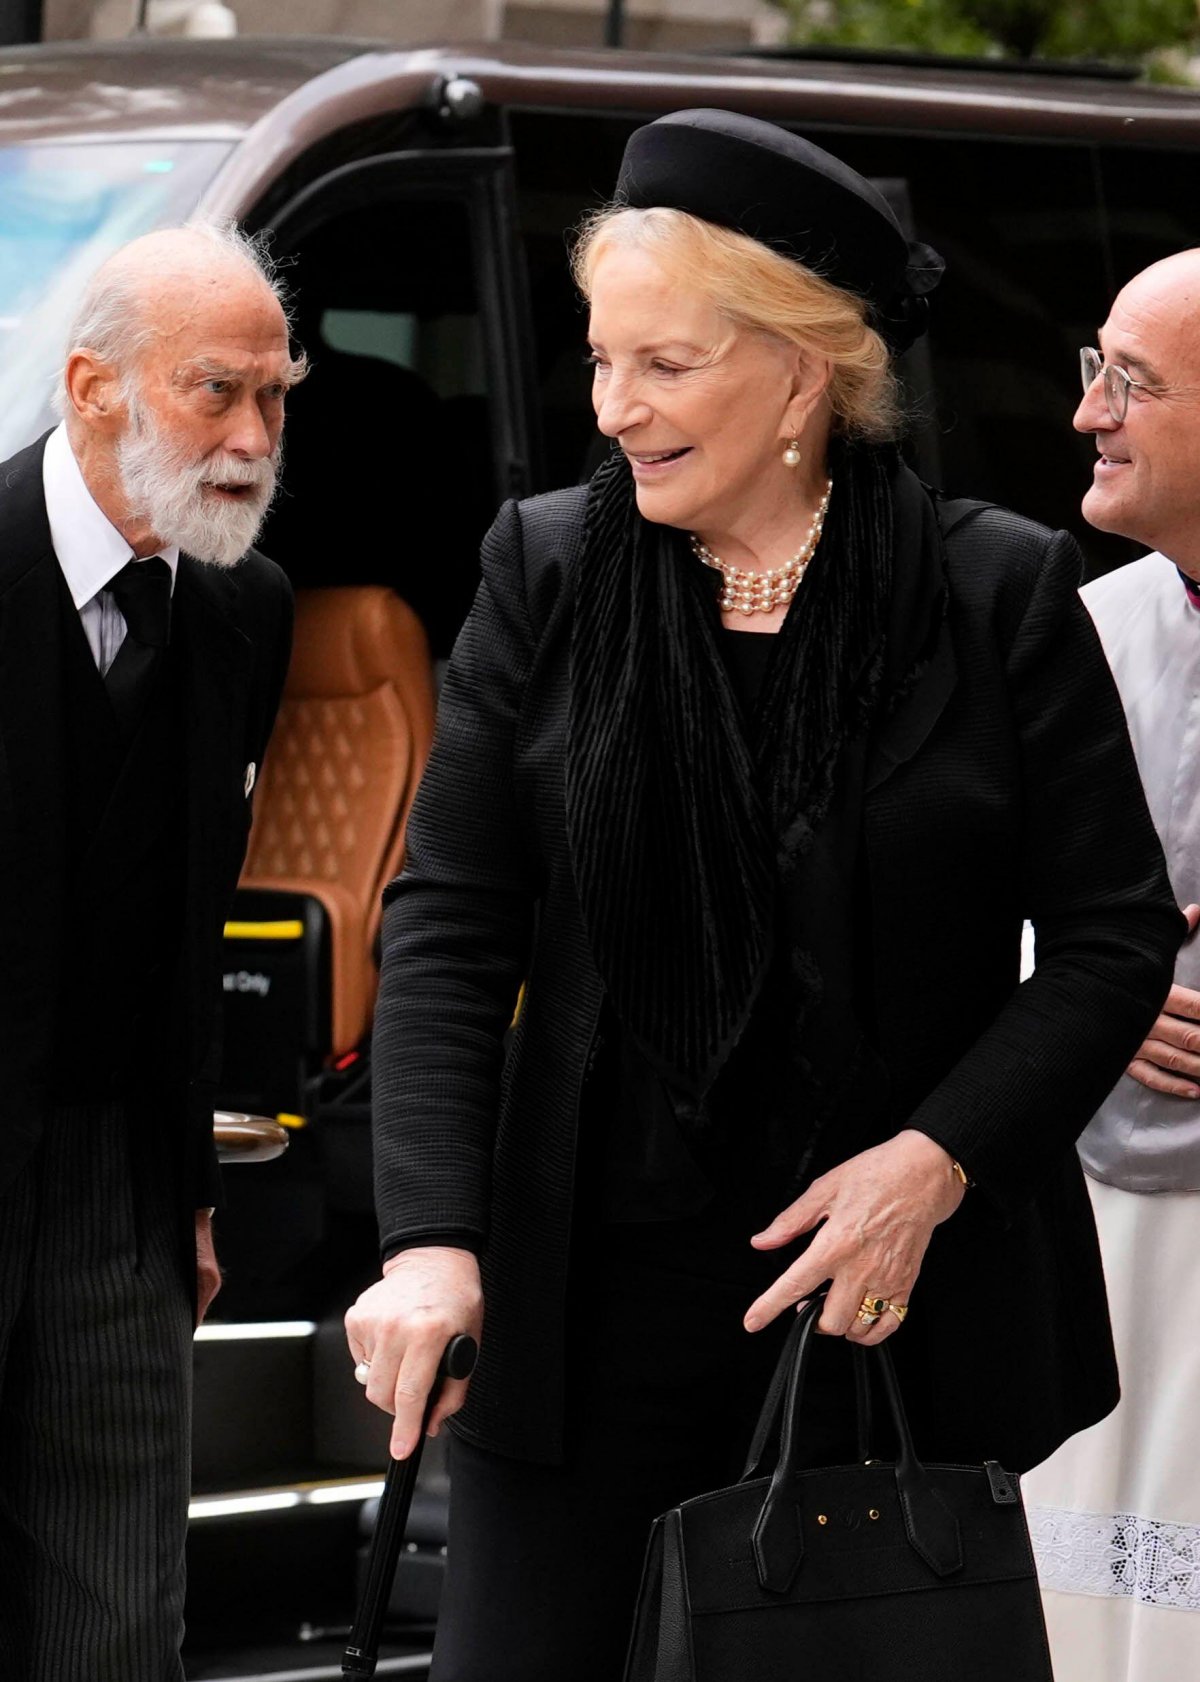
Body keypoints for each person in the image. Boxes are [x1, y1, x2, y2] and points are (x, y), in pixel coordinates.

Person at [346, 111, 1182, 1681]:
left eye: (662, 364)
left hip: (883, 1327)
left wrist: (937, 1162)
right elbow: (454, 920)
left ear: (801, 372)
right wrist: (432, 1241)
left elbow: (1111, 935)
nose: (615, 410)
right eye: (602, 362)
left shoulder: (994, 592)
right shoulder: (547, 569)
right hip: (580, 1320)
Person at [0, 222, 302, 1679]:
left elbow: (190, 916)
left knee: (118, 1616)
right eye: (215, 392)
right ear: (92, 386)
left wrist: (185, 1191)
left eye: (276, 396)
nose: (253, 436)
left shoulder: (244, 607)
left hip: (122, 1179)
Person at [1023, 250, 1200, 1680]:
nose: (1089, 413)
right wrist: (1094, 978)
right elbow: (986, 897)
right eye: (1095, 369)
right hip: (1089, 1213)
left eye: (1130, 381)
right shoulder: (1085, 625)